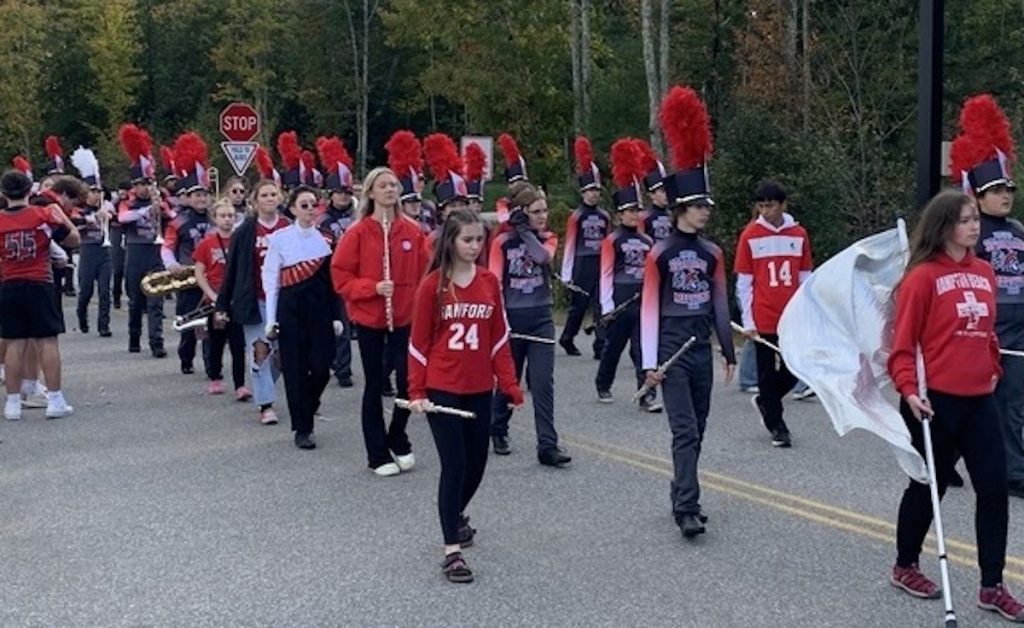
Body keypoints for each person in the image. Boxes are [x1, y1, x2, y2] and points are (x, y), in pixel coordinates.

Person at [886, 189, 1023, 621]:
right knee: (930, 485)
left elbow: (985, 330)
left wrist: (993, 362)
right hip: (933, 401)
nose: (974, 226)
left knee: (995, 489)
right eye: (965, 220)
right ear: (945, 226)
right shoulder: (921, 278)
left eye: (974, 220)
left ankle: (991, 585)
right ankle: (905, 564)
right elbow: (902, 346)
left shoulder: (985, 272)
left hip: (981, 399)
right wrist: (909, 390)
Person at [408, 209, 524, 583]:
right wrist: (416, 390)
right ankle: (451, 551)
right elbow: (419, 343)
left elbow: (499, 339)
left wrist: (509, 384)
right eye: (467, 240)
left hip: (479, 388)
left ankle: (454, 515)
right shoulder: (433, 286)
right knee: (454, 466)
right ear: (451, 242)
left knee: (477, 465)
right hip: (443, 388)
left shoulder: (489, 282)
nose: (474, 246)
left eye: (479, 240)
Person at [642, 85, 736, 539]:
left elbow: (720, 301)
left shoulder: (714, 252)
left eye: (707, 207)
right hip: (670, 349)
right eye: (699, 206)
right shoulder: (658, 253)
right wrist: (649, 363)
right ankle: (687, 507)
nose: (705, 213)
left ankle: (682, 489)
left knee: (697, 430)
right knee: (683, 431)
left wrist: (729, 352)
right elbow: (647, 310)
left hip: (700, 350)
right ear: (681, 208)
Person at [332, 167, 430, 476]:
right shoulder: (358, 232)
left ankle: (397, 435)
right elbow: (340, 277)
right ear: (371, 193)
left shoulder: (412, 231)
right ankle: (377, 452)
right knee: (374, 384)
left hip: (405, 317)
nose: (390, 189)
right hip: (370, 319)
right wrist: (371, 288)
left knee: (407, 381)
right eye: (383, 185)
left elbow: (426, 274)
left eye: (394, 184)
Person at [951, 94, 1024, 500]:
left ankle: (1014, 471)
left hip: (1017, 337)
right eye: (995, 190)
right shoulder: (969, 234)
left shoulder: (1017, 230)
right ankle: (941, 460)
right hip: (981, 333)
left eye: (1008, 188)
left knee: (1012, 404)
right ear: (976, 196)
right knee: (970, 405)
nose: (1005, 195)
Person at [488, 183, 571, 466]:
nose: (542, 216)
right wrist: (498, 323)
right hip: (512, 318)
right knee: (510, 384)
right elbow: (495, 283)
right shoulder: (501, 243)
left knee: (543, 382)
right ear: (521, 212)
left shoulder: (548, 238)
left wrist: (525, 231)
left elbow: (541, 257)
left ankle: (547, 445)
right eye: (536, 212)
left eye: (544, 210)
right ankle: (498, 427)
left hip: (541, 319)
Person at [734, 180, 813, 448]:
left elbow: (805, 277)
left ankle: (766, 401)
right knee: (766, 374)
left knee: (795, 368)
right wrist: (749, 321)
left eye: (770, 205)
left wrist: (807, 312)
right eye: (761, 206)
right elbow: (744, 282)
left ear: (782, 205)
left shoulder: (799, 234)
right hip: (764, 316)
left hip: (790, 316)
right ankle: (777, 426)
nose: (766, 211)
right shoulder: (750, 236)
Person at [263, 186, 342, 450]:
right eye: (304, 205)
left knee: (321, 367)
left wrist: (337, 315)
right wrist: (271, 319)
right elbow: (271, 282)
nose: (309, 210)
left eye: (313, 205)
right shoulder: (279, 239)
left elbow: (335, 283)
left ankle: (310, 403)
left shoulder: (328, 239)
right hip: (290, 310)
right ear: (293, 209)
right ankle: (303, 428)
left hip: (320, 311)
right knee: (295, 371)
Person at [0, 170, 80, 420]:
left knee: (15, 342)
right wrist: (64, 219)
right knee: (47, 341)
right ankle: (55, 399)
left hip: (10, 283)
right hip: (39, 281)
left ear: (3, 194)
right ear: (29, 191)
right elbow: (73, 240)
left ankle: (12, 403)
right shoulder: (42, 214)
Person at [216, 180, 289, 425]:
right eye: (264, 195)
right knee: (260, 351)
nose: (270, 199)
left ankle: (265, 385)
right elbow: (233, 270)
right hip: (256, 301)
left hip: (285, 301)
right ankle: (265, 404)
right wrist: (222, 305)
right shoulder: (245, 231)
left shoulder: (289, 227)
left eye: (273, 194)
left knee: (283, 354)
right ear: (255, 201)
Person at [596, 139, 659, 412]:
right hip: (621, 298)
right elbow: (607, 274)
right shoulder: (612, 240)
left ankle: (646, 394)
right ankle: (603, 383)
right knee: (614, 347)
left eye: (637, 210)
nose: (635, 215)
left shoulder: (648, 241)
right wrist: (607, 306)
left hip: (642, 298)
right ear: (620, 213)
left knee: (642, 349)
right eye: (630, 211)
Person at [162, 132, 213, 375]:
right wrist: (171, 264)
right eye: (196, 195)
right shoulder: (179, 221)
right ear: (188, 197)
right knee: (190, 320)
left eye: (204, 194)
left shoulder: (218, 218)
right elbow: (167, 247)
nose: (201, 199)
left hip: (214, 277)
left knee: (212, 323)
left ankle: (211, 364)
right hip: (188, 278)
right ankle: (186, 358)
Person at [117, 123, 169, 357]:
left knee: (155, 300)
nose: (143, 188)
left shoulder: (160, 200)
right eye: (139, 184)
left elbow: (175, 218)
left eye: (146, 184)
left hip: (155, 253)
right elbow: (122, 216)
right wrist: (145, 211)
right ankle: (134, 337)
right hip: (135, 253)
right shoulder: (129, 202)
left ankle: (157, 342)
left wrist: (162, 209)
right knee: (136, 301)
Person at [559, 136, 611, 359]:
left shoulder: (605, 216)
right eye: (590, 190)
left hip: (600, 263)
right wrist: (567, 275)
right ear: (582, 192)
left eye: (597, 190)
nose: (594, 194)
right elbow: (570, 246)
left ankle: (600, 344)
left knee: (600, 306)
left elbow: (609, 243)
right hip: (581, 264)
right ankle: (567, 338)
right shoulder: (576, 217)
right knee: (578, 307)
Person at [194, 199, 249, 400]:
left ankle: (240, 384)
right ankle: (215, 376)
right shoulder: (206, 243)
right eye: (223, 216)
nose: (227, 220)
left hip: (237, 299)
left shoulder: (240, 240)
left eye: (231, 216)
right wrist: (211, 295)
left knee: (238, 343)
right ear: (214, 218)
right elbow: (199, 273)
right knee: (216, 341)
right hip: (215, 300)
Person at [316, 136, 357, 388]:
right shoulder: (322, 221)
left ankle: (344, 370)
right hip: (326, 275)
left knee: (345, 322)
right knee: (327, 323)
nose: (343, 197)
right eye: (340, 192)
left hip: (351, 276)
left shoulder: (358, 217)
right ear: (331, 194)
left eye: (347, 192)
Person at [69, 148, 114, 337]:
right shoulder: (78, 210)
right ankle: (82, 316)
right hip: (88, 251)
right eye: (92, 192)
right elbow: (76, 222)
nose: (96, 195)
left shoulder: (107, 207)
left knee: (105, 291)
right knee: (86, 290)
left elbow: (120, 217)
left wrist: (109, 216)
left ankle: (104, 325)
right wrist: (95, 217)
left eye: (98, 191)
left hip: (104, 253)